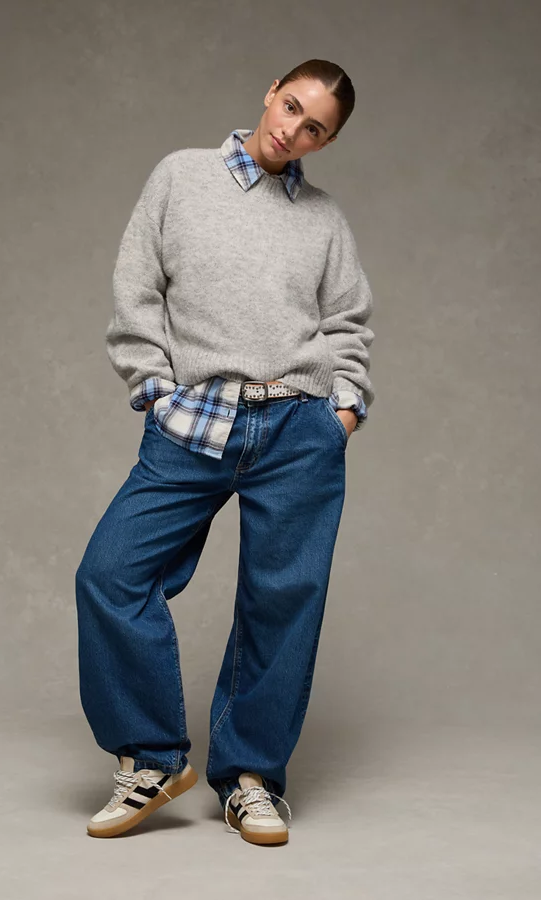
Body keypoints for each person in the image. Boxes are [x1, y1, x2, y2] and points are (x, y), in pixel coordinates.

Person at [75, 58, 375, 846]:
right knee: (111, 574)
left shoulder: (324, 219)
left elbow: (347, 321)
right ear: (271, 92)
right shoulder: (181, 177)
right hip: (193, 422)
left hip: (298, 429)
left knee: (282, 603)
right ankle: (152, 759)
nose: (294, 129)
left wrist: (343, 409)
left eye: (315, 127)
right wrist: (153, 389)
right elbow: (137, 288)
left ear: (326, 142)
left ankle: (250, 779)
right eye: (291, 106)